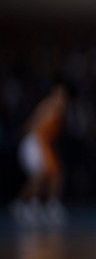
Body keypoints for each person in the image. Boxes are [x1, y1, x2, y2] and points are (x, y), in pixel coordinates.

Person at [12, 85, 68, 225]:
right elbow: (31, 126)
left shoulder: (60, 112)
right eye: (58, 95)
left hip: (43, 145)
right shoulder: (46, 107)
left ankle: (48, 205)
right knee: (39, 175)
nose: (60, 99)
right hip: (33, 143)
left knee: (54, 174)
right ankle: (24, 204)